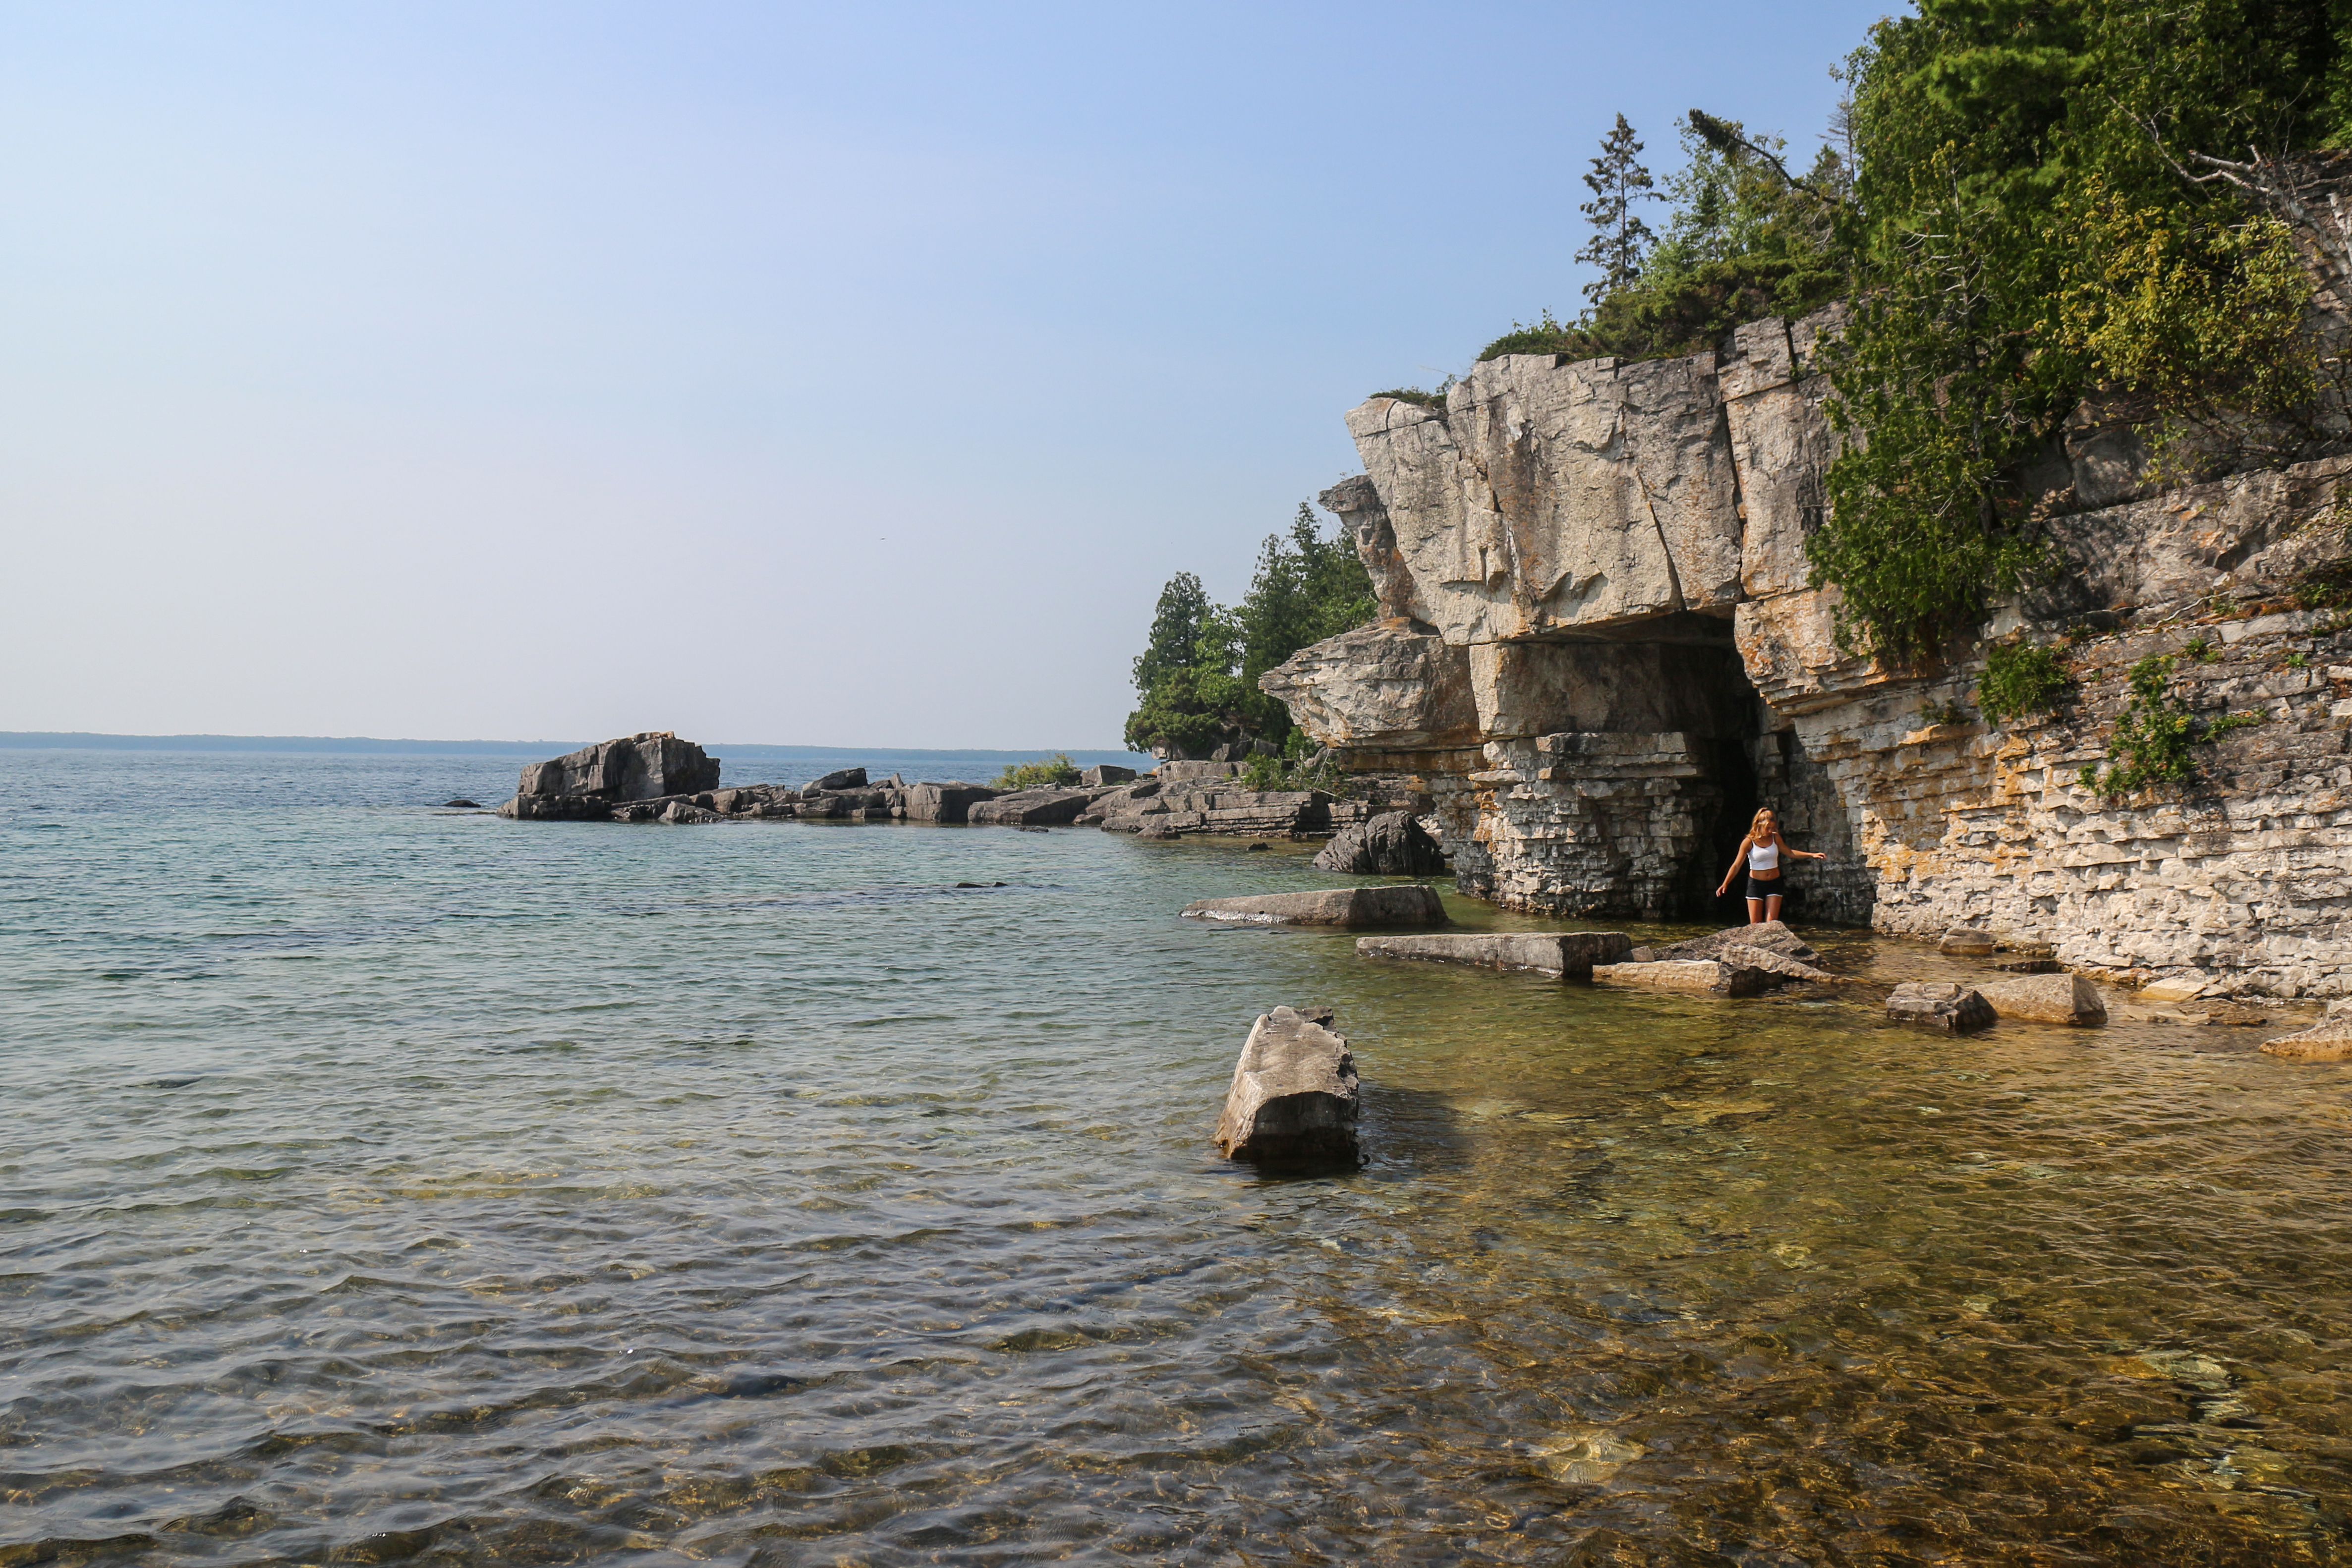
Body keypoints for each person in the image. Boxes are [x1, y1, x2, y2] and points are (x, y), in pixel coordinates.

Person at [1716, 806, 1828, 925]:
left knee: (1772, 924)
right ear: (1759, 825)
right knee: (1756, 925)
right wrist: (1725, 883)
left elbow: (1790, 852)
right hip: (1756, 885)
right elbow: (1737, 865)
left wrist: (1811, 855)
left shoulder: (1775, 838)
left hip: (1774, 883)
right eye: (1768, 828)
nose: (1771, 831)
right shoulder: (1749, 842)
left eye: (1773, 828)